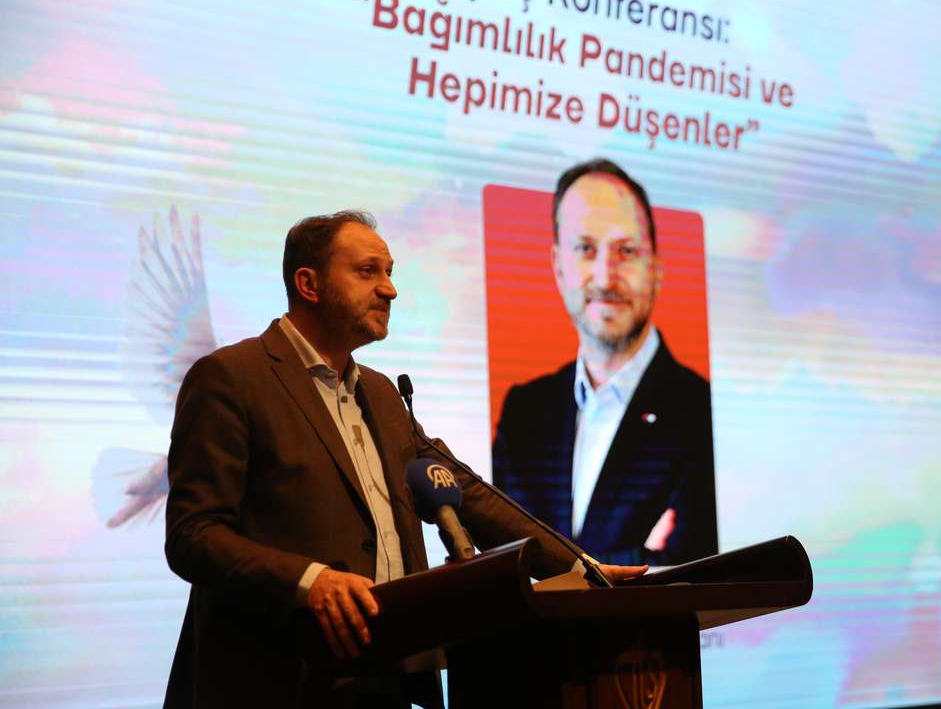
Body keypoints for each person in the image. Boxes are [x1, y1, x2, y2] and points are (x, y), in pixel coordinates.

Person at [163, 211, 643, 709]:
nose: (389, 290)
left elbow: (466, 492)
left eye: (390, 272)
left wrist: (583, 570)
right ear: (308, 284)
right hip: (280, 683)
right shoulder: (233, 378)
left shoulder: (380, 394)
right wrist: (309, 582)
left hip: (385, 682)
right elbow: (193, 535)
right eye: (367, 271)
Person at [492, 160, 718, 567]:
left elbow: (690, 565)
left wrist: (550, 574)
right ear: (558, 266)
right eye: (585, 249)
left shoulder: (705, 413)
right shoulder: (524, 413)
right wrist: (636, 557)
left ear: (656, 268)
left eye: (625, 251)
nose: (604, 277)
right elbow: (501, 561)